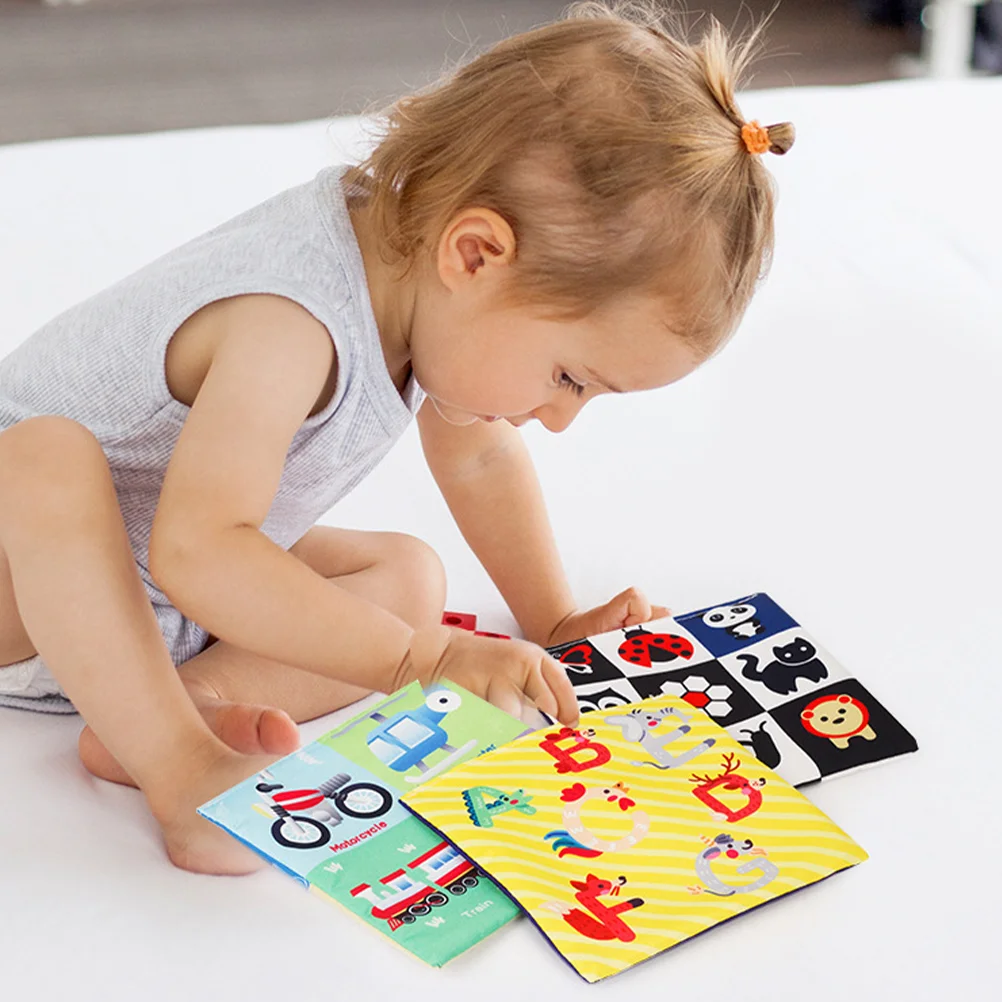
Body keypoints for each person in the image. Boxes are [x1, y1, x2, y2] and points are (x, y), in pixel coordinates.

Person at [0, 1, 794, 875]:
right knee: (42, 459)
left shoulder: (431, 295)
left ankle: (168, 711)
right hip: (25, 584)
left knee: (407, 577)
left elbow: (479, 451)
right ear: (477, 253)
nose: (560, 418)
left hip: (145, 601)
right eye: (570, 378)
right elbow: (197, 551)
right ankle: (178, 769)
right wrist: (425, 658)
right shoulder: (290, 318)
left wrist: (552, 622)